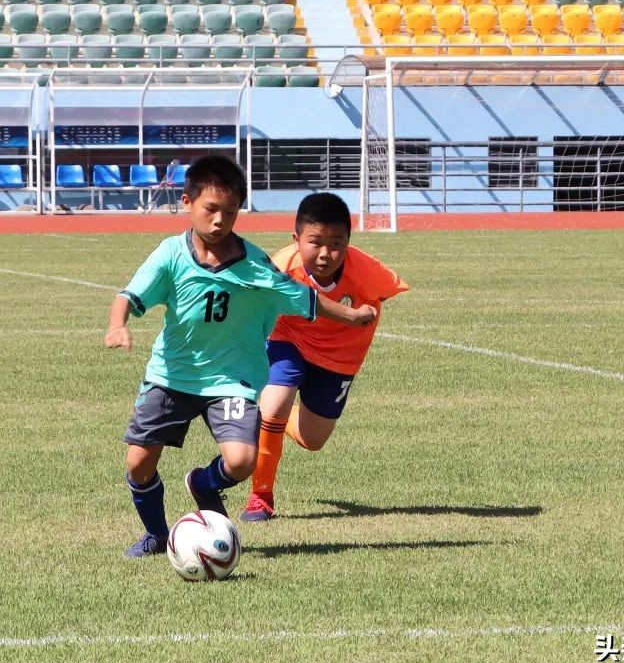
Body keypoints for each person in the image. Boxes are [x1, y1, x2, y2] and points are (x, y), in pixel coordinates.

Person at [105, 156, 379, 557]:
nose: (220, 220)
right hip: (171, 375)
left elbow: (306, 299)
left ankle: (204, 484)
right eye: (210, 209)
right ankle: (157, 535)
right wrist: (118, 323)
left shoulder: (254, 264)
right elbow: (128, 295)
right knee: (138, 464)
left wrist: (352, 314)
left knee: (242, 460)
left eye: (230, 212)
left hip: (231, 380)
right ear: (187, 203)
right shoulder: (170, 254)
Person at [241, 193, 410, 522]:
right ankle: (260, 495)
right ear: (296, 239)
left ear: (348, 240)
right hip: (287, 336)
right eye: (315, 242)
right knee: (274, 402)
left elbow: (387, 290)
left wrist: (368, 314)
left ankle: (273, 416)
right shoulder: (282, 265)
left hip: (340, 355)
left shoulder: (366, 270)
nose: (325, 253)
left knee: (313, 439)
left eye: (336, 243)